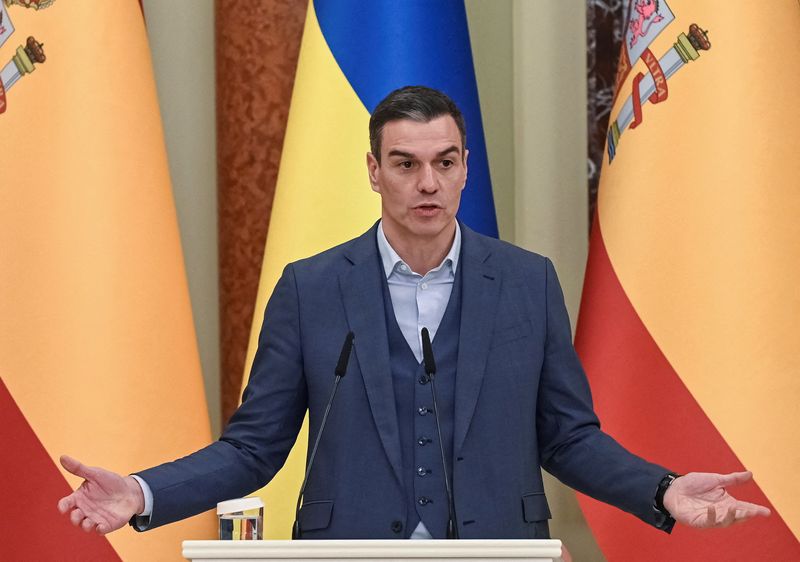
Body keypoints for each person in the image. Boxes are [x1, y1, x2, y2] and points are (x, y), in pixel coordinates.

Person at [57, 86, 769, 540]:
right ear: (373, 170)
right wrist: (145, 492)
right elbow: (254, 448)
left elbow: (568, 437)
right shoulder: (310, 289)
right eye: (404, 164)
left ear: (466, 166)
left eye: (445, 161)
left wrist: (663, 488)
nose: (427, 183)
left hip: (498, 553)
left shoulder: (526, 282)